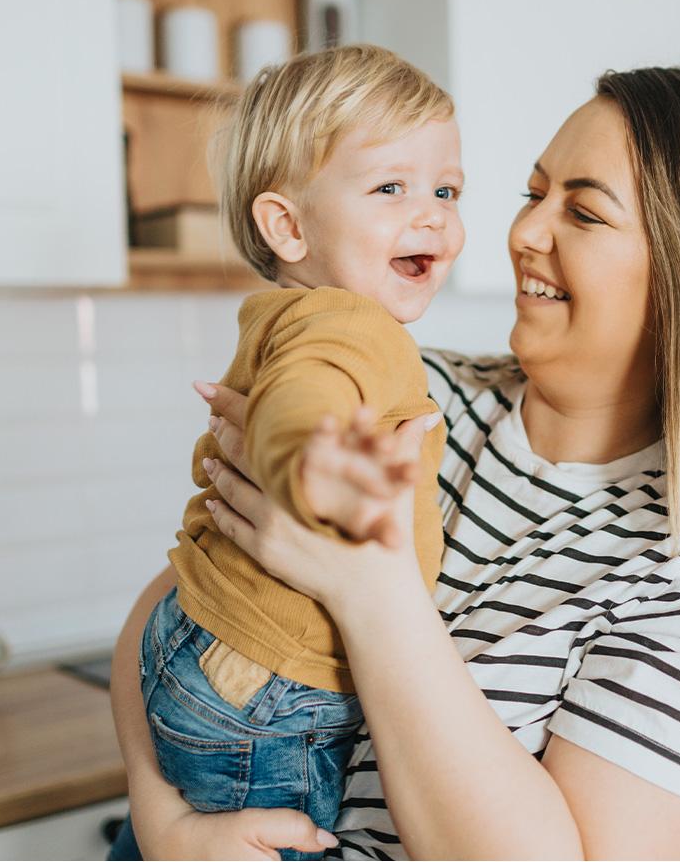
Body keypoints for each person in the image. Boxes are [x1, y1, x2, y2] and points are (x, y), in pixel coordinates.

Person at [110, 65, 680, 860]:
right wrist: (163, 824)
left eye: (583, 211)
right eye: (533, 195)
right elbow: (183, 603)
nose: (525, 234)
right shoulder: (404, 394)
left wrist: (371, 587)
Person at [139, 43, 463, 854]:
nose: (431, 213)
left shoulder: (288, 316)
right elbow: (300, 408)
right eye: (391, 187)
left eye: (445, 189)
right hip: (271, 691)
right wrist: (318, 467)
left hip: (211, 643)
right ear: (286, 225)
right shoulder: (345, 325)